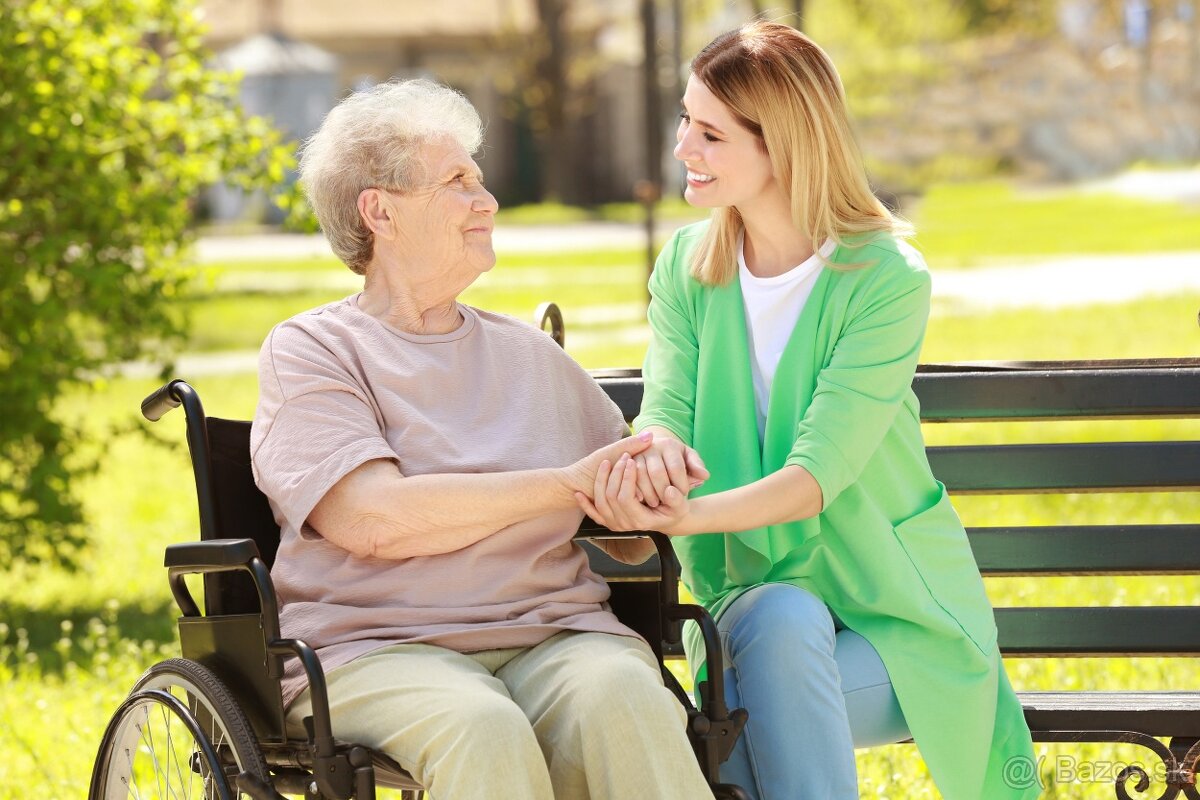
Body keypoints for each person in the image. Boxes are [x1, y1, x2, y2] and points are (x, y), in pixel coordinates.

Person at [576, 21, 1038, 800]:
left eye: (711, 132)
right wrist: (652, 466)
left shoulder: (884, 280)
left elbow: (816, 476)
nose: (683, 146)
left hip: (894, 619)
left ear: (783, 144)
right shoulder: (687, 269)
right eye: (685, 118)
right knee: (778, 625)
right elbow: (668, 414)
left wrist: (682, 519)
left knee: (755, 704)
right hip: (752, 608)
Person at [250, 79, 714, 800]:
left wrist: (644, 485)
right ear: (380, 211)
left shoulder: (532, 356)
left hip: (554, 635)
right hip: (376, 648)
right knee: (481, 725)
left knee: (629, 696)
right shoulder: (316, 349)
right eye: (459, 182)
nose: (487, 201)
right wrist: (565, 485)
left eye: (481, 179)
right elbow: (373, 520)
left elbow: (623, 528)